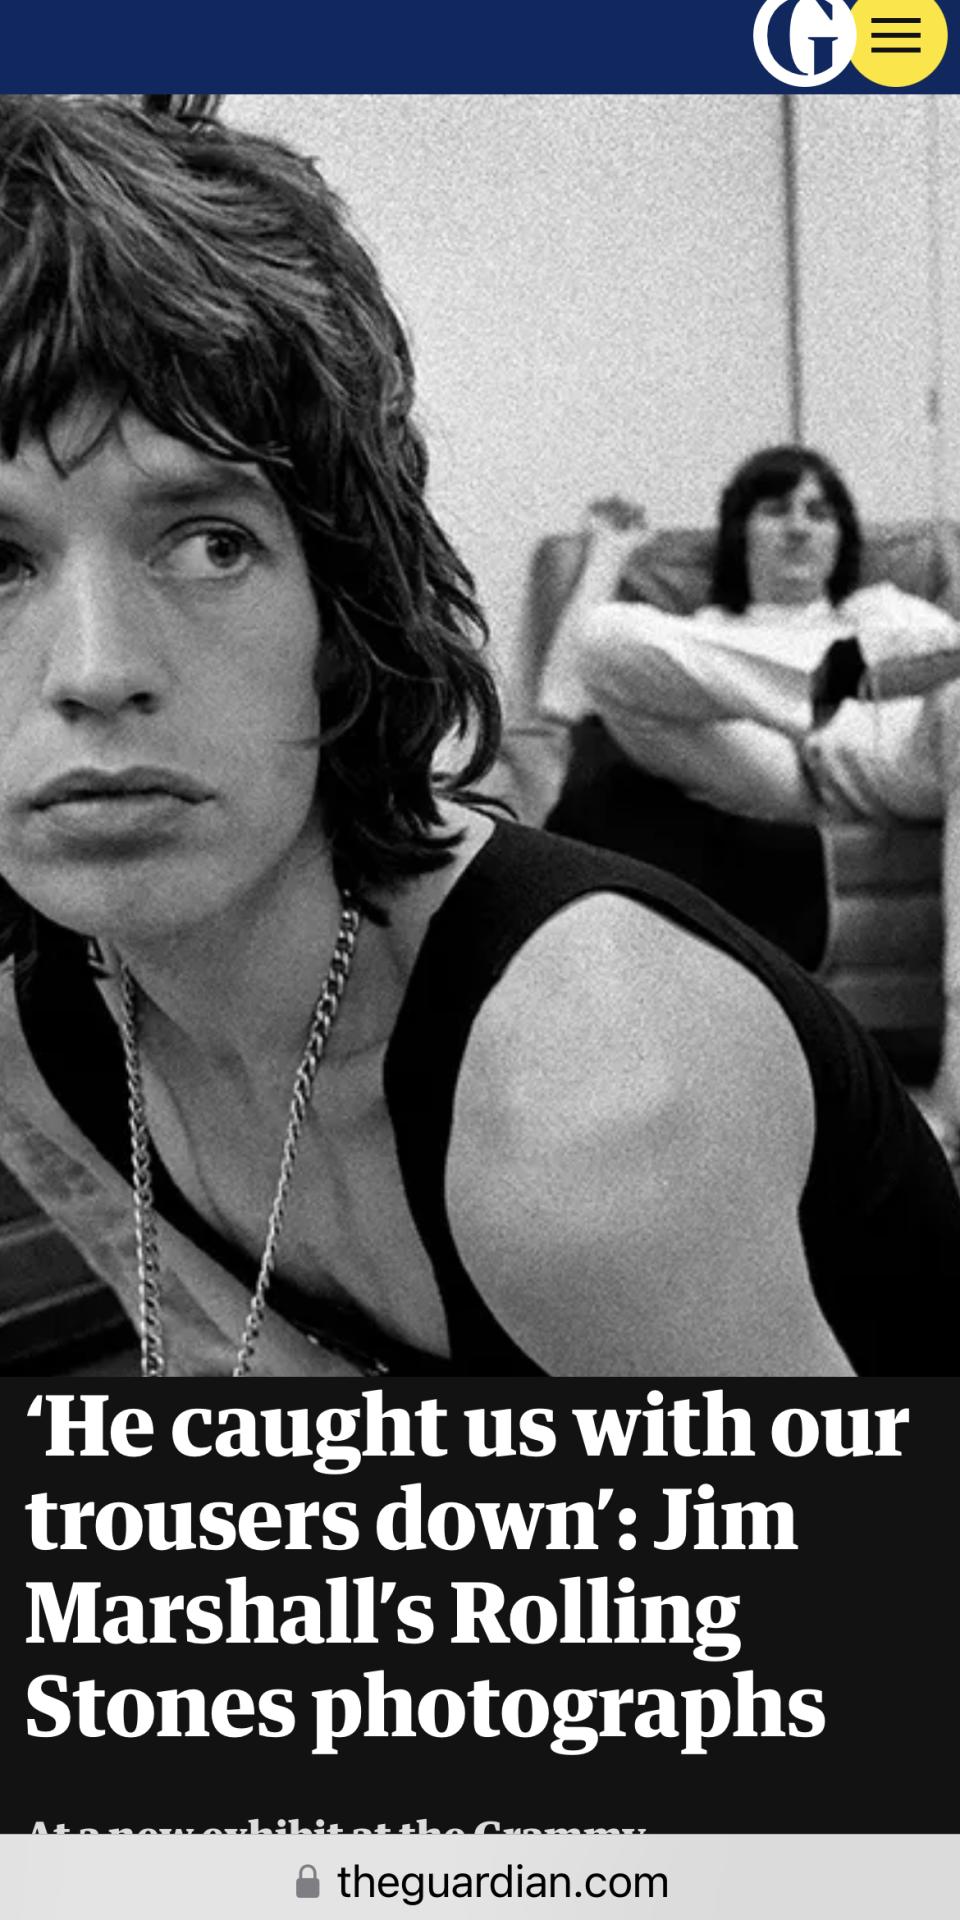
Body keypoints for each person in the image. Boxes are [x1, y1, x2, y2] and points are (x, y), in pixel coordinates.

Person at [0, 95, 958, 1383]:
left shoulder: (590, 1103)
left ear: (342, 612)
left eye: (211, 543)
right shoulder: (36, 1042)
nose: (98, 671)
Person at [541, 449, 960, 1143]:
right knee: (606, 637)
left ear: (841, 539)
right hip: (770, 766)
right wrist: (609, 554)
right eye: (776, 509)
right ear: (741, 531)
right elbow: (561, 699)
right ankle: (824, 685)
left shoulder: (883, 607)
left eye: (819, 512)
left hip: (898, 757)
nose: (799, 526)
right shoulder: (703, 629)